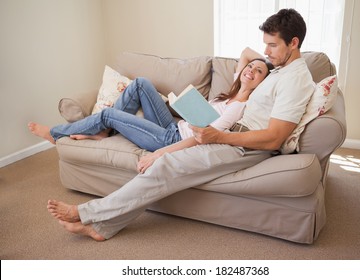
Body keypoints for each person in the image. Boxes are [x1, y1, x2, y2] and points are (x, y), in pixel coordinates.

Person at [47, 8, 315, 241]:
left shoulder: (295, 79)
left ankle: (85, 213)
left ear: (293, 43)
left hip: (244, 146)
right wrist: (268, 59)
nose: (266, 52)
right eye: (265, 44)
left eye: (272, 45)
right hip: (235, 137)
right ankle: (103, 228)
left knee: (165, 165)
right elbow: (254, 56)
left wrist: (218, 137)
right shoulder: (282, 68)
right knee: (165, 170)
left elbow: (274, 139)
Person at [28, 57, 272, 153]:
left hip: (173, 140)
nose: (250, 70)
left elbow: (209, 135)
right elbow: (246, 53)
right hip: (175, 126)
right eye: (250, 67)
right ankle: (104, 132)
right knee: (141, 84)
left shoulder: (239, 106)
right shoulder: (233, 90)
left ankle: (55, 133)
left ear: (263, 82)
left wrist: (164, 152)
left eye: (258, 71)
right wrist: (262, 61)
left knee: (109, 114)